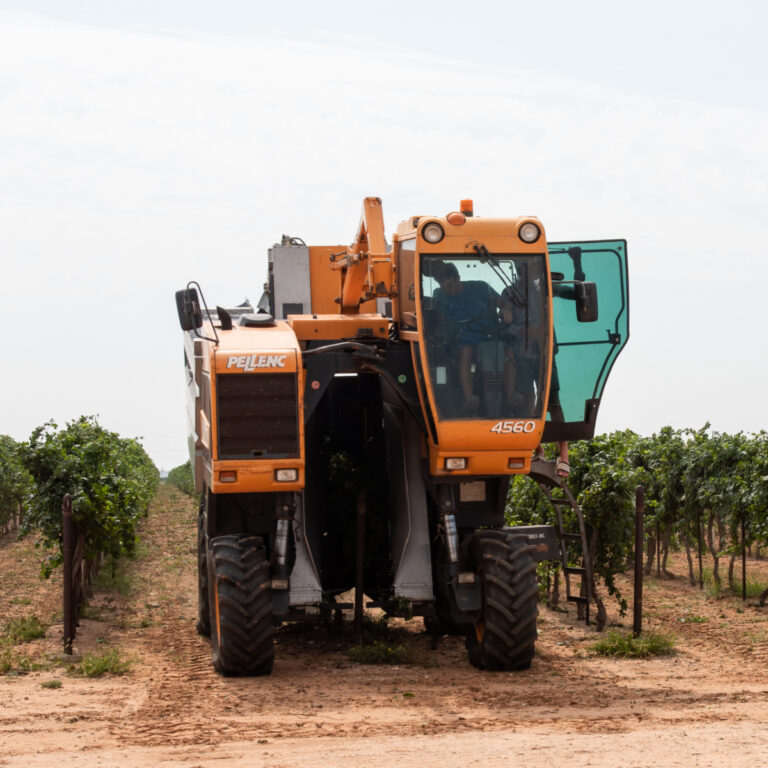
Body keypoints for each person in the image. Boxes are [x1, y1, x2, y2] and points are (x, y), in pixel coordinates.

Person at [433, 263, 514, 415]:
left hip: (487, 337)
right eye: (444, 287)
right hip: (461, 341)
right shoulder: (439, 295)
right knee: (466, 351)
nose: (448, 291)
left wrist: (505, 309)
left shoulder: (481, 288)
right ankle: (469, 399)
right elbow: (439, 320)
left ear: (458, 278)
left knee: (508, 351)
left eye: (451, 286)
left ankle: (510, 398)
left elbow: (503, 303)